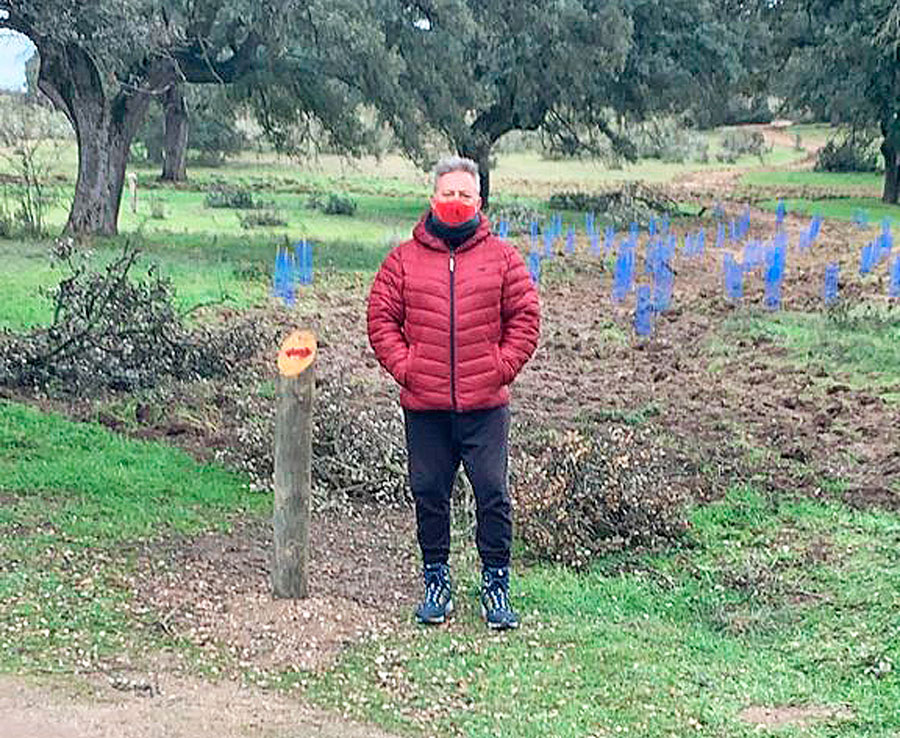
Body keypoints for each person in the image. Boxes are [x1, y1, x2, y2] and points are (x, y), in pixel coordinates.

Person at [366, 156, 540, 630]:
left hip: (485, 406)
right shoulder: (402, 261)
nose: (456, 202)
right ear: (433, 198)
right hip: (425, 406)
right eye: (449, 193)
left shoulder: (504, 258)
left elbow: (525, 318)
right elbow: (381, 320)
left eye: (465, 194)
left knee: (492, 493)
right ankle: (436, 582)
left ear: (479, 201)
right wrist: (407, 368)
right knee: (428, 493)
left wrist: (500, 367)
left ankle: (496, 585)